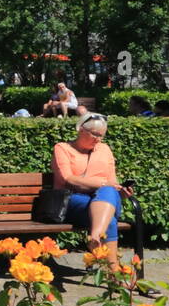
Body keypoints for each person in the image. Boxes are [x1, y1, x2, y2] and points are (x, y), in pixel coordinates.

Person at [52, 114, 134, 266]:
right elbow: (67, 179)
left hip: (103, 199)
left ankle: (95, 236)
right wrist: (101, 183)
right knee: (109, 217)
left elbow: (113, 181)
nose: (98, 139)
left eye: (101, 136)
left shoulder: (104, 149)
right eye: (95, 134)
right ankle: (114, 272)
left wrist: (121, 193)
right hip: (72, 200)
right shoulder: (62, 148)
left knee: (109, 192)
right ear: (81, 130)